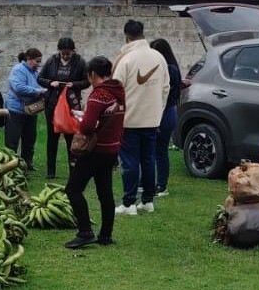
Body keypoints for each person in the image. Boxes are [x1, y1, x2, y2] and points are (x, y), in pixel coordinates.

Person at [64, 56, 125, 249]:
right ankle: (106, 235)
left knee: (73, 189)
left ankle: (85, 232)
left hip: (95, 150)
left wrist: (80, 119)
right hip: (112, 149)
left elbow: (89, 126)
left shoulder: (99, 95)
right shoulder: (118, 92)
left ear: (92, 74)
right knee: (105, 192)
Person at [113, 20, 170, 216]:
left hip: (130, 120)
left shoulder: (126, 58)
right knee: (148, 160)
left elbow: (115, 88)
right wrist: (158, 112)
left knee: (129, 162)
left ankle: (129, 203)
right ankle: (147, 201)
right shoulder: (159, 57)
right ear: (142, 33)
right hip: (152, 120)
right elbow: (165, 88)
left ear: (126, 36)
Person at [38, 37, 89, 179]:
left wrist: (74, 85)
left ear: (73, 51)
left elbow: (86, 82)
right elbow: (40, 78)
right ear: (59, 51)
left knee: (71, 138)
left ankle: (73, 170)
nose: (65, 56)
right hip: (52, 104)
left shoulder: (80, 62)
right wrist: (51, 83)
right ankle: (51, 171)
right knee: (52, 137)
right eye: (63, 53)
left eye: (68, 53)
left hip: (71, 104)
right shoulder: (51, 61)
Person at [145, 38, 182, 197]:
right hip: (165, 112)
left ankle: (161, 185)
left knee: (159, 151)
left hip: (165, 113)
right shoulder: (167, 68)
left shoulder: (169, 69)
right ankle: (152, 182)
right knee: (153, 150)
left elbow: (163, 95)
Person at [4, 49, 46, 170]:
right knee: (12, 140)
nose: (38, 64)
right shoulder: (18, 70)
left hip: (30, 110)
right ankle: (10, 164)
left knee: (30, 139)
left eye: (40, 61)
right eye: (37, 61)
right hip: (15, 110)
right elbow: (18, 88)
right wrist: (38, 91)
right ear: (28, 59)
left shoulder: (34, 72)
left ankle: (27, 163)